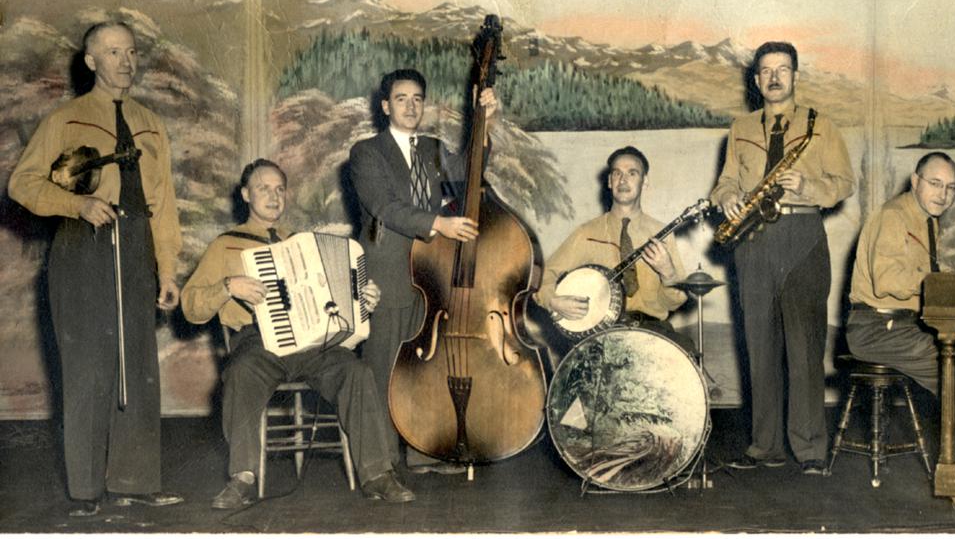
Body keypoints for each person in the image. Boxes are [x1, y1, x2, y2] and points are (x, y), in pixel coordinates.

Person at [8, 21, 183, 516]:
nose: (125, 62)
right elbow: (22, 184)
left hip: (135, 247)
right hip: (81, 248)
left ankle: (135, 481)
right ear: (91, 61)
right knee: (87, 370)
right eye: (112, 52)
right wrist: (74, 205)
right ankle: (86, 492)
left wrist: (166, 269)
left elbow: (164, 205)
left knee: (138, 366)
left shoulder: (151, 122)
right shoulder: (66, 118)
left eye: (130, 52)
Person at [181, 159, 415, 507]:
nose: (273, 197)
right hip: (257, 342)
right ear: (246, 194)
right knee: (240, 372)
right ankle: (242, 477)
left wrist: (363, 299)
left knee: (356, 371)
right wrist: (229, 286)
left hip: (312, 343)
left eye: (279, 189)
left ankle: (378, 473)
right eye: (263, 188)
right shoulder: (225, 246)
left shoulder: (303, 244)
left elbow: (334, 305)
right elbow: (191, 307)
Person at [710, 41, 854, 475]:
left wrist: (807, 185)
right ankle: (764, 446)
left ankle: (810, 449)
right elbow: (724, 184)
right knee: (760, 346)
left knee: (806, 348)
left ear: (795, 76)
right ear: (756, 80)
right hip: (753, 238)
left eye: (783, 69)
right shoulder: (740, 127)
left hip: (802, 236)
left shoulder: (820, 125)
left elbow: (844, 182)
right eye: (765, 70)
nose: (774, 77)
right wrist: (730, 197)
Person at [348, 68, 498, 475]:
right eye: (401, 99)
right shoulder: (366, 153)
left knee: (424, 368)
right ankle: (380, 463)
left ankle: (421, 451)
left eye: (417, 98)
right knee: (383, 366)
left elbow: (469, 175)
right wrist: (439, 224)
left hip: (430, 274)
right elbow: (385, 207)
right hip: (387, 271)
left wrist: (485, 124)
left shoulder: (433, 148)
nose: (410, 106)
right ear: (384, 107)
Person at [845, 152, 955, 468]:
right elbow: (886, 281)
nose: (943, 195)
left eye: (951, 187)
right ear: (915, 182)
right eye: (935, 183)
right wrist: (941, 280)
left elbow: (934, 276)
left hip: (905, 327)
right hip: (875, 329)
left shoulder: (928, 222)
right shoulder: (894, 216)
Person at [535, 146, 692, 354]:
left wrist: (668, 273)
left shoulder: (661, 234)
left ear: (645, 182)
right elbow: (542, 275)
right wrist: (553, 301)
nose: (623, 180)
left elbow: (672, 303)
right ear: (609, 182)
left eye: (632, 173)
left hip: (652, 332)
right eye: (617, 173)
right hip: (601, 336)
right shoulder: (586, 233)